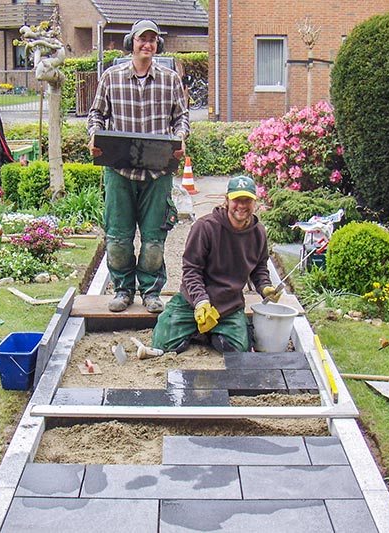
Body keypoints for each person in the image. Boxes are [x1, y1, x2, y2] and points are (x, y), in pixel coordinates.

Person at [87, 19, 189, 313]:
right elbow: (97, 115)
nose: (147, 44)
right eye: (142, 39)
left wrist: (180, 138)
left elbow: (181, 118)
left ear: (159, 45)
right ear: (131, 42)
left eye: (153, 40)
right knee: (118, 238)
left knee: (154, 240)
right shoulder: (111, 77)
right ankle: (122, 289)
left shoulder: (170, 79)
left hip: (157, 171)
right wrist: (94, 136)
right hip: (120, 170)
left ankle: (151, 291)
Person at [152, 175, 282, 353]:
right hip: (193, 302)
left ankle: (210, 334)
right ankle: (197, 331)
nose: (242, 206)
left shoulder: (258, 232)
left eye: (247, 200)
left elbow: (259, 268)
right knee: (163, 342)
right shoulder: (205, 227)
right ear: (227, 200)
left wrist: (265, 287)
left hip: (229, 305)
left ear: (255, 203)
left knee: (238, 349)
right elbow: (191, 270)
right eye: (237, 200)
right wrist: (201, 301)